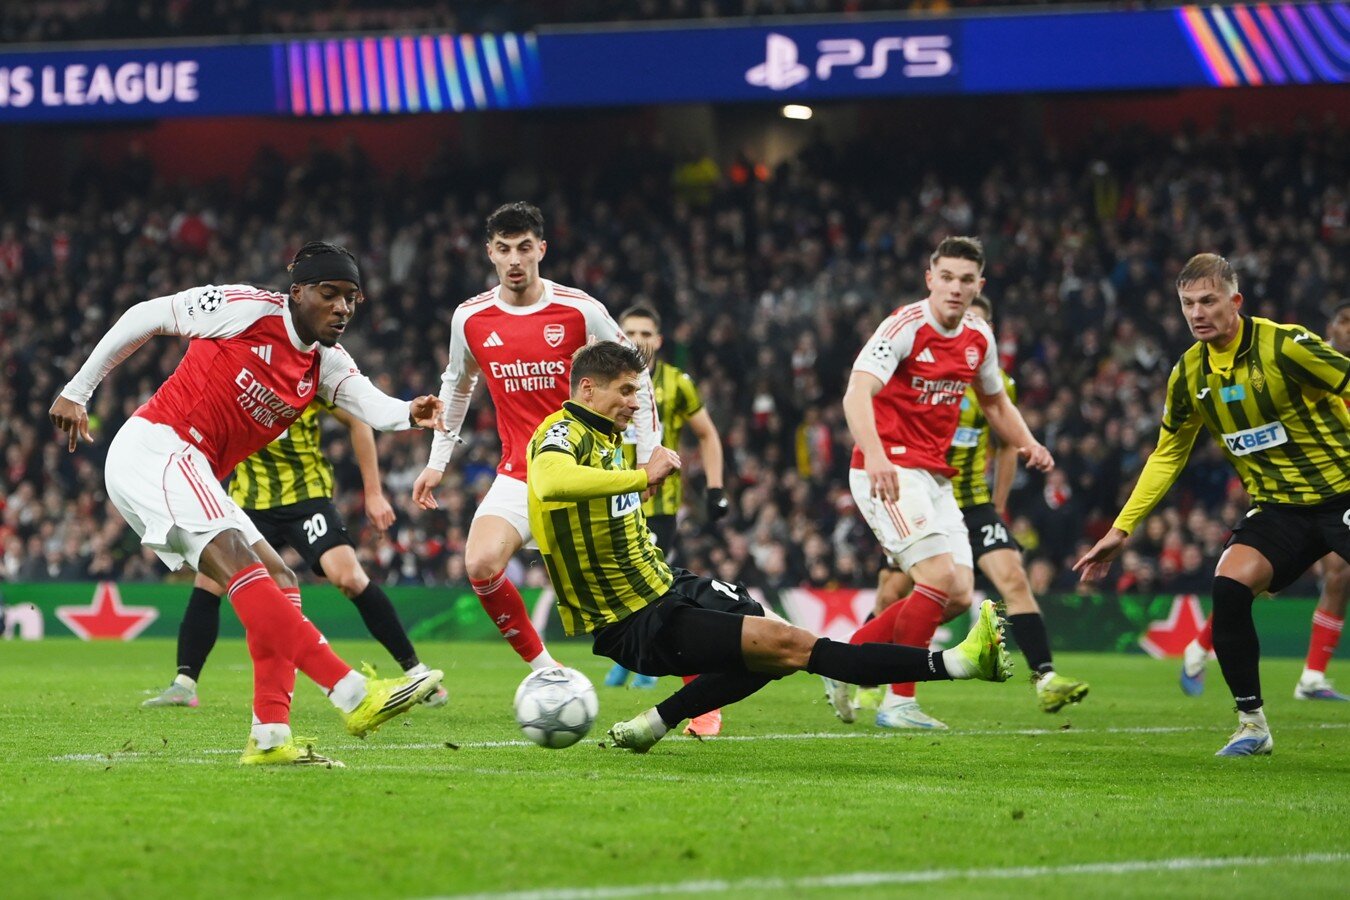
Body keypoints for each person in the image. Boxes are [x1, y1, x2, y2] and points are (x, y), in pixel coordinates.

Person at [50, 242, 446, 767]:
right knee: (241, 566)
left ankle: (270, 736)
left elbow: (369, 404)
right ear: (297, 291)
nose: (342, 308)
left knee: (281, 580)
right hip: (158, 446)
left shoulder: (325, 363)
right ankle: (351, 693)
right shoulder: (244, 309)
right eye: (329, 294)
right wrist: (78, 390)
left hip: (194, 468)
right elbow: (146, 315)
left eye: (351, 299)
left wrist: (410, 413)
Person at [526, 341, 1014, 753]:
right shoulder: (563, 431)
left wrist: (635, 484)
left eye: (637, 390)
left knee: (775, 639)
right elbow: (548, 480)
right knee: (791, 648)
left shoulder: (607, 438)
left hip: (667, 584)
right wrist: (640, 477)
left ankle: (655, 722)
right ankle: (959, 663)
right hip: (633, 620)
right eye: (626, 390)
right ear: (587, 389)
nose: (635, 403)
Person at [1075, 255, 1350, 757]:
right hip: (1280, 508)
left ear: (1235, 300)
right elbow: (1167, 455)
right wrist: (1121, 529)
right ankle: (1252, 725)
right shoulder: (1188, 374)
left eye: (1208, 301)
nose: (1197, 313)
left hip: (1343, 489)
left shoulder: (1285, 344)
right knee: (1229, 585)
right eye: (1188, 304)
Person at [413, 202, 658, 674]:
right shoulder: (470, 319)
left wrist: (646, 457)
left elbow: (638, 376)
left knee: (644, 589)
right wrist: (437, 462)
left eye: (524, 248)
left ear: (541, 249)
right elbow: (457, 386)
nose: (514, 260)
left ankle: (701, 687)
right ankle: (547, 672)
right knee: (480, 563)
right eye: (504, 249)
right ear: (489, 252)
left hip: (586, 472)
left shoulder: (580, 310)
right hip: (521, 474)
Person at [834, 238, 1055, 729]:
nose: (956, 287)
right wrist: (876, 455)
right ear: (930, 278)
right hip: (888, 469)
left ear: (979, 285)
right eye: (947, 277)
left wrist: (1027, 442)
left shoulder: (979, 337)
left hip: (936, 477)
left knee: (956, 594)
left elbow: (995, 402)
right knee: (935, 577)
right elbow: (857, 392)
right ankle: (899, 703)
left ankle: (844, 657)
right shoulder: (904, 327)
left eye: (966, 279)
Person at [858, 295, 1088, 721]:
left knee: (1010, 579)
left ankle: (1046, 677)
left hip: (971, 500)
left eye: (975, 323)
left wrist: (997, 505)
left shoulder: (994, 382)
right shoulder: (917, 371)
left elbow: (1005, 445)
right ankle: (862, 670)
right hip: (916, 488)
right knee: (895, 591)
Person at [142, 397, 447, 710]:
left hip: (307, 500)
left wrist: (374, 493)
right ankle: (184, 684)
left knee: (349, 578)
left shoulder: (310, 380)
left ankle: (416, 671)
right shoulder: (234, 382)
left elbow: (358, 421)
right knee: (209, 582)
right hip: (249, 503)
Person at [1178, 300, 1350, 702]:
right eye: (1344, 320)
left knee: (1338, 574)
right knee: (1259, 581)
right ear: (1330, 326)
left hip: (1335, 489)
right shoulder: (1302, 358)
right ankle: (1202, 645)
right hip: (1288, 493)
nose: (1348, 329)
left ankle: (1311, 677)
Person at [604, 306, 730, 737]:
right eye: (630, 332)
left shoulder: (676, 383)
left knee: (655, 598)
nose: (638, 339)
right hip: (609, 503)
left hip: (656, 505)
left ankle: (703, 700)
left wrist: (715, 488)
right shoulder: (603, 379)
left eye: (646, 333)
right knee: (632, 598)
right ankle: (635, 664)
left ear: (659, 340)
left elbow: (707, 433)